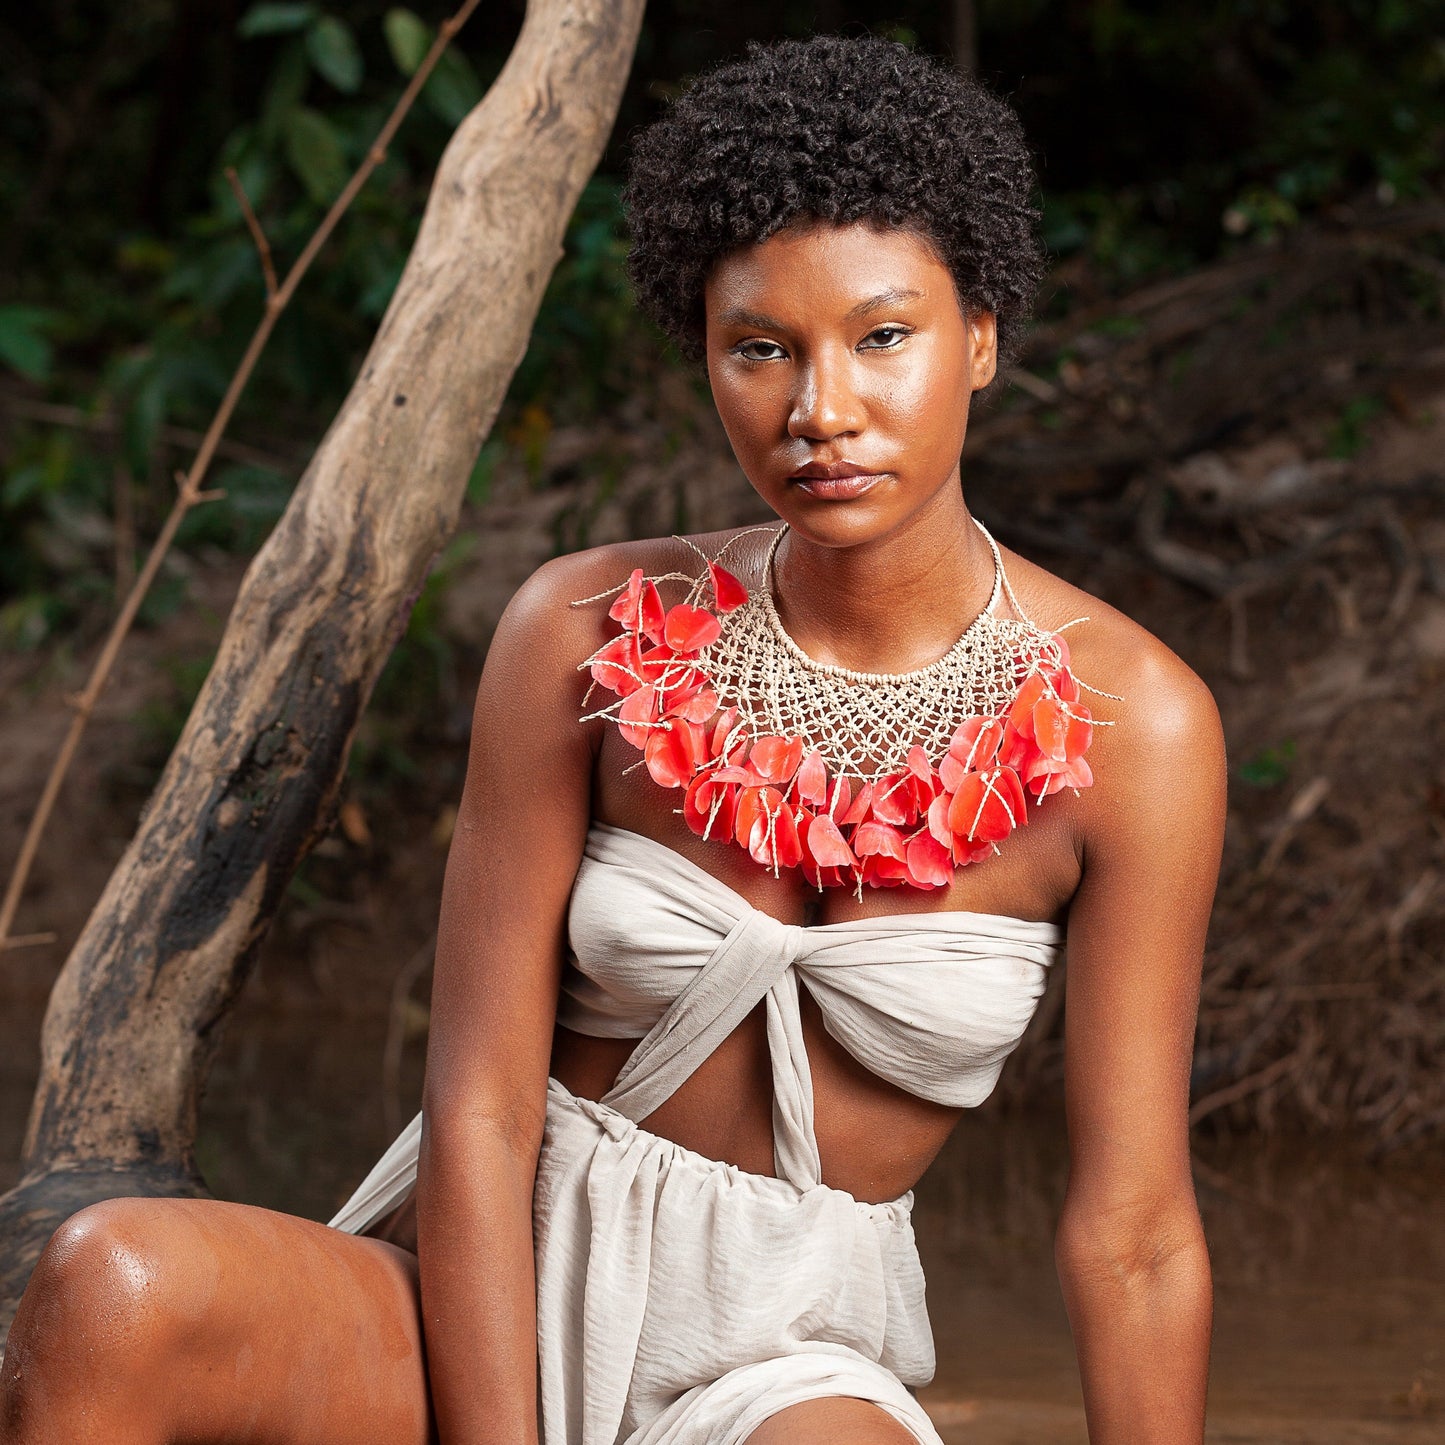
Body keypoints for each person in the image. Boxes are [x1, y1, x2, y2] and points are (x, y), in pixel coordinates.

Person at [0, 34, 1223, 1445]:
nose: (820, 409)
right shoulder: (577, 631)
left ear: (982, 339)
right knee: (112, 1280)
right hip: (480, 1293)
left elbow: (1131, 1228)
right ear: (706, 356)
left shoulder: (1140, 725)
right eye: (759, 347)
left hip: (782, 1357)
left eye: (882, 337)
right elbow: (473, 1106)